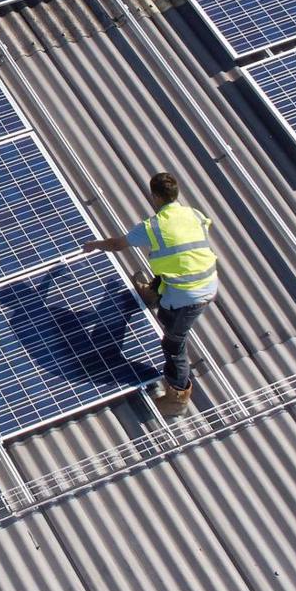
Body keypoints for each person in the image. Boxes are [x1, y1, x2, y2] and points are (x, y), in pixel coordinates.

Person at [85, 171, 218, 417]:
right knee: (166, 261)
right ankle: (154, 294)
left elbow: (117, 245)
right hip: (207, 280)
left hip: (189, 297)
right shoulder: (194, 214)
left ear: (155, 197)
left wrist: (95, 245)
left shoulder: (153, 226)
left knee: (173, 343)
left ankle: (178, 397)